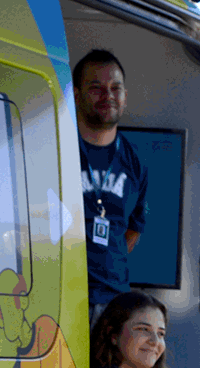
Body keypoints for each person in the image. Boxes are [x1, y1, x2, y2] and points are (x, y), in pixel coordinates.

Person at [75, 50, 149, 317]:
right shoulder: (56, 147)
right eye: (96, 88)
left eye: (115, 88)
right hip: (63, 293)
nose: (107, 95)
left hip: (114, 300)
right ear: (76, 94)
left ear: (125, 96)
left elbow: (132, 231)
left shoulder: (135, 162)